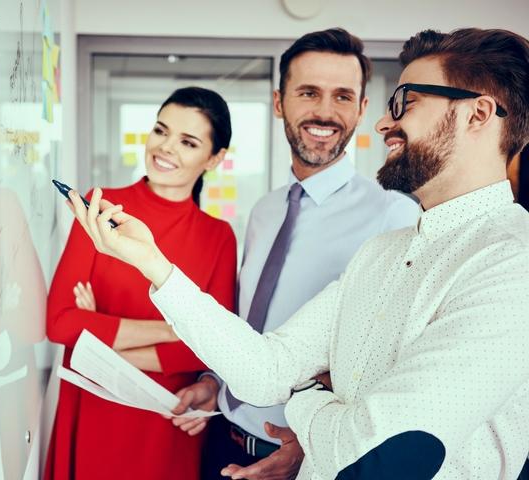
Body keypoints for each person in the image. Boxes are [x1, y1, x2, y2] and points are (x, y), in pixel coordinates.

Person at [66, 27, 529, 479]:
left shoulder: (513, 264)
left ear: (477, 114)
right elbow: (264, 371)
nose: (385, 123)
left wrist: (305, 399)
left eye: (404, 102)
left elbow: (376, 456)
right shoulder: (379, 253)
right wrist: (153, 262)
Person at [173, 28, 419, 480]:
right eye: (308, 92)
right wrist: (214, 382)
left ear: (363, 109)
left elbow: (392, 362)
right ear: (279, 101)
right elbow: (252, 320)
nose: (325, 112)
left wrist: (312, 447)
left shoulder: (395, 216)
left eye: (343, 96)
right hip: (221, 438)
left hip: (303, 461)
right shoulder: (265, 210)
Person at [43, 86, 237, 480]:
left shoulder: (218, 236)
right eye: (161, 131)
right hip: (94, 411)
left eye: (188, 141)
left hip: (167, 421)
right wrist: (172, 329)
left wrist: (99, 338)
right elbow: (60, 324)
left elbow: (207, 351)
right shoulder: (100, 209)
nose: (166, 148)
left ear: (214, 159)